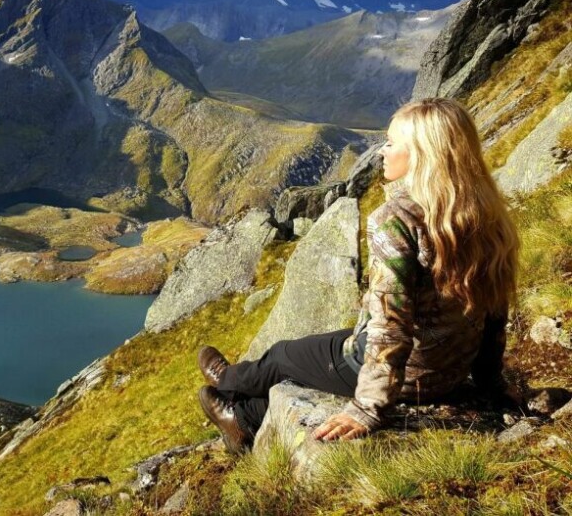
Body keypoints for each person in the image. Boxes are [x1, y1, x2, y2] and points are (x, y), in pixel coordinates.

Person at [196, 97, 520, 452]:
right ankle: (244, 421)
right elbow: (494, 312)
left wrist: (369, 408)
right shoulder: (484, 213)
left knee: (282, 355)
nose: (383, 151)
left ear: (422, 155)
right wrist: (490, 385)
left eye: (393, 143)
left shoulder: (395, 220)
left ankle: (228, 383)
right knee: (321, 348)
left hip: (407, 376)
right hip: (451, 368)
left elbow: (391, 322)